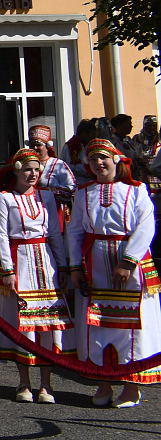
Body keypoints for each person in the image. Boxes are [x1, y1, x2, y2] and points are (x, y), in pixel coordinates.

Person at [68, 138, 161, 407]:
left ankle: (132, 387)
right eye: (93, 159)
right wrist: (75, 266)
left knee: (132, 326)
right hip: (95, 264)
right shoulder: (84, 193)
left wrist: (128, 262)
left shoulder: (137, 190)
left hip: (129, 264)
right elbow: (74, 232)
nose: (99, 163)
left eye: (104, 158)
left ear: (116, 160)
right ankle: (103, 383)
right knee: (98, 324)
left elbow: (146, 226)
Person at [0, 149, 72, 403]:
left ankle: (46, 385)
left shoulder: (46, 196)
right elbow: (1, 235)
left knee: (47, 324)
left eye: (37, 169)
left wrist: (64, 266)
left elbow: (56, 233)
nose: (33, 174)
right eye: (28, 169)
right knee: (22, 324)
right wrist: (8, 270)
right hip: (21, 262)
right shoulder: (5, 198)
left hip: (45, 263)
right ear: (15, 170)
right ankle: (24, 383)